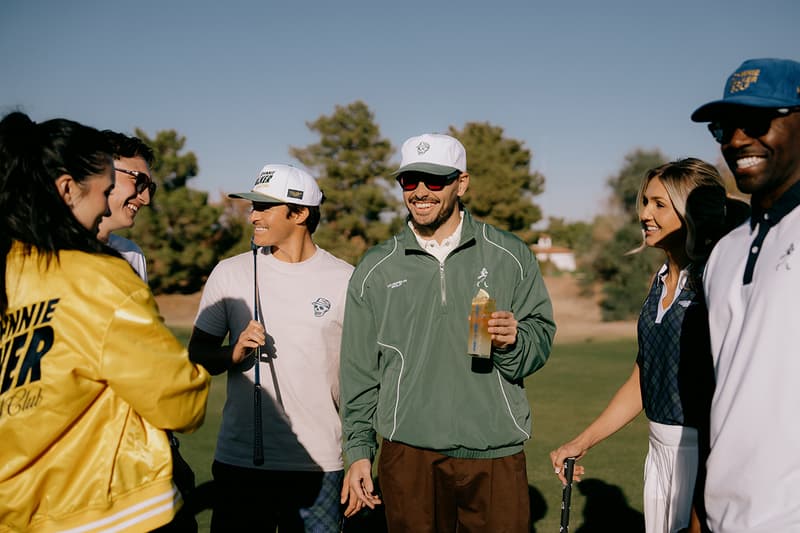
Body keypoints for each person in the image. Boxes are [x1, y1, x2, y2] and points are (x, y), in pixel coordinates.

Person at [0, 111, 210, 532]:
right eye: (109, 188)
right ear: (67, 188)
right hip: (109, 510)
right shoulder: (102, 274)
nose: (141, 198)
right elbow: (181, 400)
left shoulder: (12, 268)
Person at [339, 133, 556, 532]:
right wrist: (357, 452)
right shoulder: (374, 268)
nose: (420, 192)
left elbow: (539, 340)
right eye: (410, 181)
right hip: (408, 452)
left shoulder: (509, 255)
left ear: (462, 183)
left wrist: (514, 342)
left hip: (495, 449)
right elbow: (358, 373)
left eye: (434, 180)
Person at [549, 158, 748, 533]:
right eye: (644, 202)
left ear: (691, 210)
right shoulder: (658, 281)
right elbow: (646, 374)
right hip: (658, 452)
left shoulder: (715, 278)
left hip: (705, 454)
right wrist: (583, 440)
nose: (645, 214)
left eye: (660, 204)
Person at [188, 164, 353, 532]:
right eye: (252, 206)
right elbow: (198, 354)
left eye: (264, 207)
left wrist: (360, 456)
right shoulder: (229, 273)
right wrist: (233, 353)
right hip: (240, 462)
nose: (252, 216)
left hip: (319, 464)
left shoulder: (346, 279)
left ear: (300, 213)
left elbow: (361, 379)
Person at [690, 57, 800, 532]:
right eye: (725, 127)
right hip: (724, 516)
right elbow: (725, 393)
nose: (736, 141)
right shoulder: (725, 253)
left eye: (756, 122)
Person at [97, 130, 156, 280]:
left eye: (150, 188)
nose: (146, 199)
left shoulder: (131, 254)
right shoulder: (42, 251)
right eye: (140, 181)